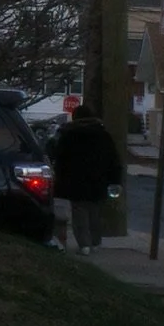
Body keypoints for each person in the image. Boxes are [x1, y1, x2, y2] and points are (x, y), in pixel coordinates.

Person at [47, 103, 123, 254]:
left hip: (75, 180)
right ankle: (95, 242)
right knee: (95, 212)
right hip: (98, 180)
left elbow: (58, 157)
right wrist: (115, 180)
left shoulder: (68, 134)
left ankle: (84, 244)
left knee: (79, 212)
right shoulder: (103, 135)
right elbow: (113, 160)